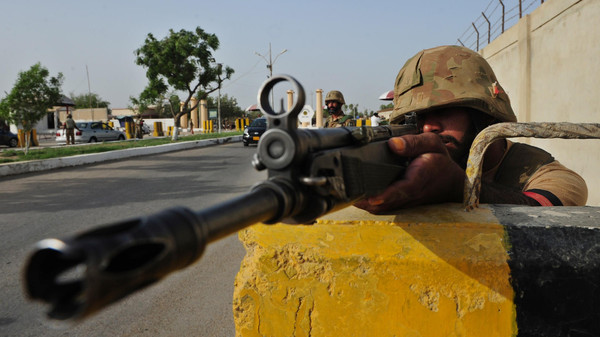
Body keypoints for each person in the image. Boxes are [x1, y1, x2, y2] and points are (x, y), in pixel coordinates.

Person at [355, 45, 587, 213]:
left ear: (484, 112)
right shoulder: (405, 164)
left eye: (446, 110)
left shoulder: (539, 171)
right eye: (418, 116)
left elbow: (546, 209)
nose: (428, 126)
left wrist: (462, 189)